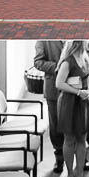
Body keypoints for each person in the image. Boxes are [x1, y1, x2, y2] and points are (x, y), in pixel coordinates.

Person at [52, 41, 89, 177]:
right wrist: (78, 92)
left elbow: (87, 78)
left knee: (82, 139)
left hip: (83, 102)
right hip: (69, 103)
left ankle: (79, 174)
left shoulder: (86, 58)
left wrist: (88, 92)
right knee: (69, 139)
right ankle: (69, 174)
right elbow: (58, 83)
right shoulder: (67, 61)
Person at [33, 39, 67, 168]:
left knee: (76, 121)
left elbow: (86, 53)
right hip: (53, 87)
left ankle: (81, 156)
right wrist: (59, 67)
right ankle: (59, 156)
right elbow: (38, 62)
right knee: (55, 122)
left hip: (75, 85)